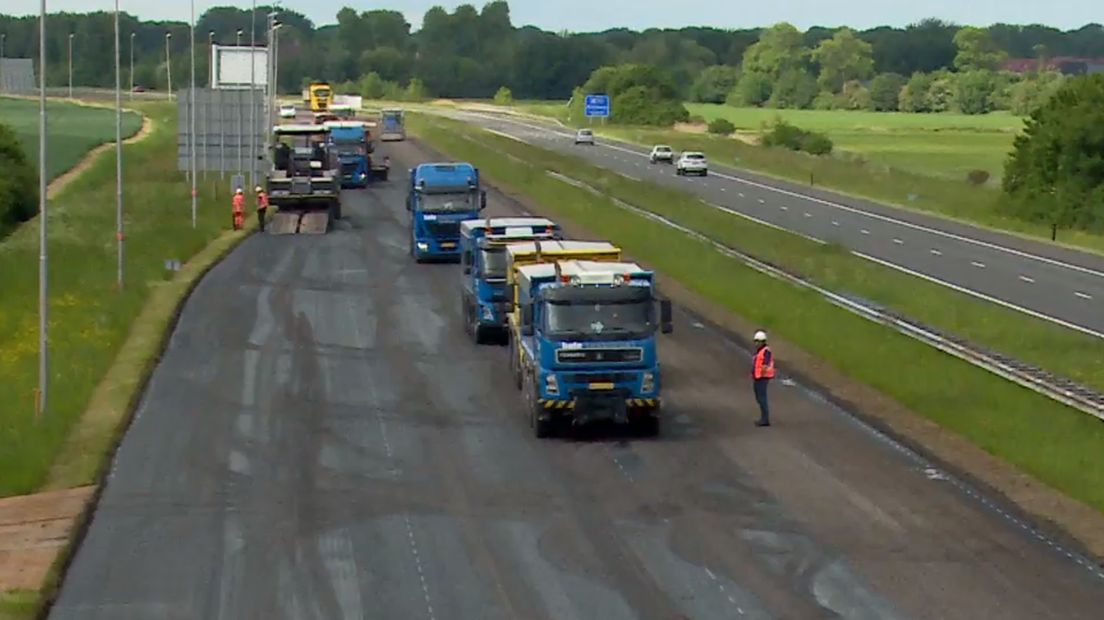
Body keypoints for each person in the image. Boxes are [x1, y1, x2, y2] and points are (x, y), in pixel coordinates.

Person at [751, 330, 775, 427]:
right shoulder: (760, 351)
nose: (756, 343)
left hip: (763, 377)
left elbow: (765, 364)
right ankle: (764, 418)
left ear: (763, 341)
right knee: (759, 397)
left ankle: (765, 419)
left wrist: (761, 371)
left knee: (762, 398)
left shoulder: (766, 351)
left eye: (758, 341)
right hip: (758, 377)